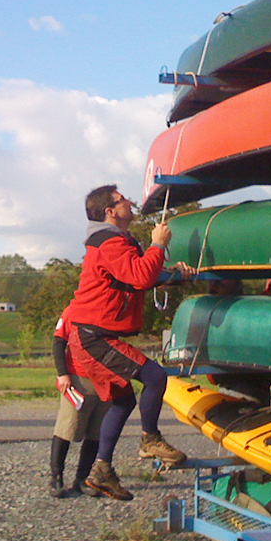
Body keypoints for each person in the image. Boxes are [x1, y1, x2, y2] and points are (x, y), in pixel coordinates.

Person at [65, 185, 191, 500]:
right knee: (155, 376)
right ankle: (150, 440)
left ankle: (102, 470)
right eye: (122, 201)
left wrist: (174, 274)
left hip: (94, 335)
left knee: (123, 401)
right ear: (110, 211)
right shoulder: (109, 242)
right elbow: (139, 277)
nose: (130, 203)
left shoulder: (116, 243)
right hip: (93, 335)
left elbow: (134, 275)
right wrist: (158, 244)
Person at [48, 307, 107, 498]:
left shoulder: (111, 310)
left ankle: (82, 480)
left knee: (96, 433)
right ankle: (56, 478)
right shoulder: (72, 311)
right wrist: (62, 373)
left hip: (104, 380)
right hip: (78, 379)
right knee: (67, 428)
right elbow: (58, 342)